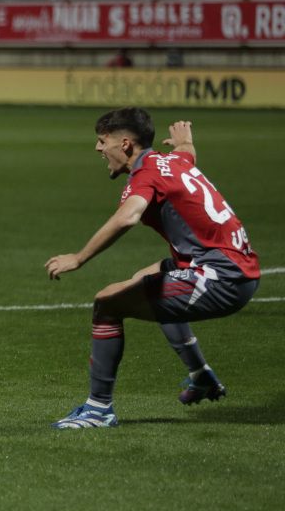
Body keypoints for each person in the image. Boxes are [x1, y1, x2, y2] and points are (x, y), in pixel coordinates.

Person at [45, 108, 259, 429]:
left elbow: (128, 217)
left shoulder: (146, 175)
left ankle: (99, 408)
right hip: (233, 265)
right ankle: (201, 376)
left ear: (126, 144)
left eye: (103, 141)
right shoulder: (171, 161)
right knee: (144, 279)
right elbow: (186, 155)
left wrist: (78, 258)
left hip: (220, 277)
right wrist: (186, 142)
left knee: (107, 303)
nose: (98, 149)